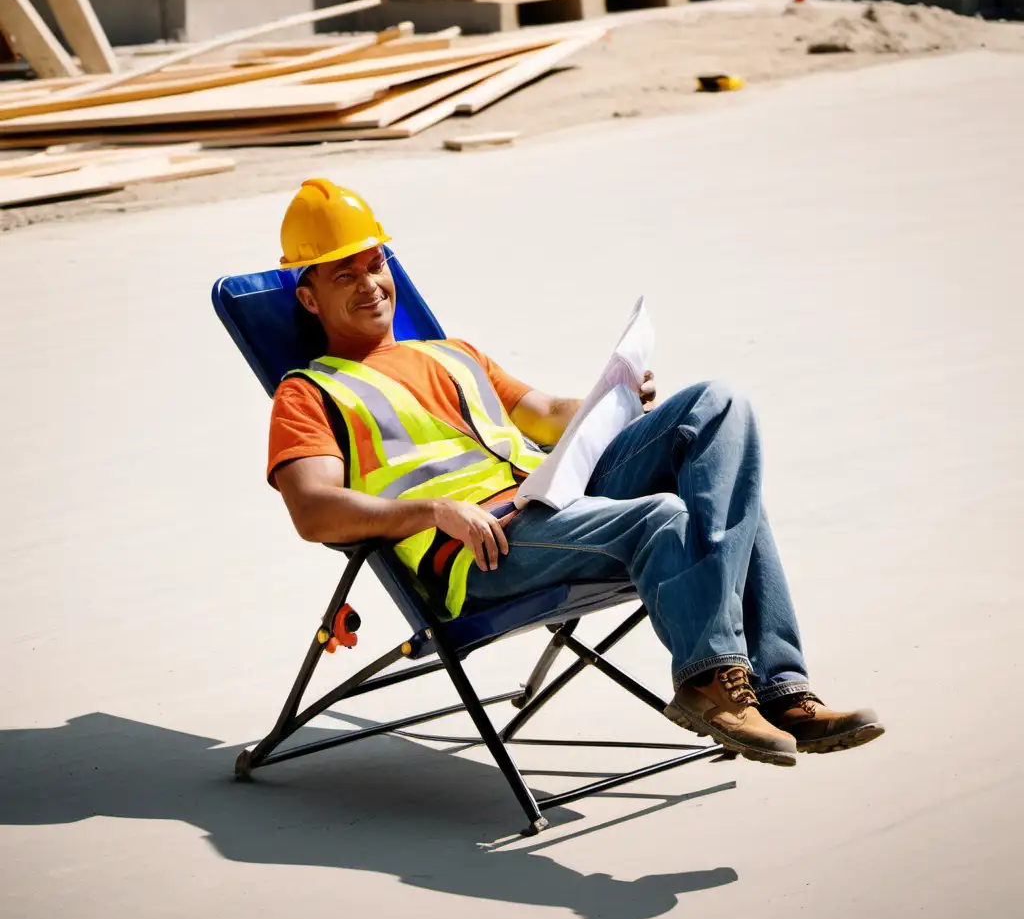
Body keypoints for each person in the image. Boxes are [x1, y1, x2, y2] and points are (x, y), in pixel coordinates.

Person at [267, 178, 884, 768]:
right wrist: (434, 511)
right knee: (669, 516)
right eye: (343, 273)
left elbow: (548, 415)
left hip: (557, 504)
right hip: (481, 548)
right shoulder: (310, 393)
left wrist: (615, 398)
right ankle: (711, 681)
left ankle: (779, 688)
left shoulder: (451, 353)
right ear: (308, 297)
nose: (369, 283)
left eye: (375, 264)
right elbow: (314, 509)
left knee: (717, 409)